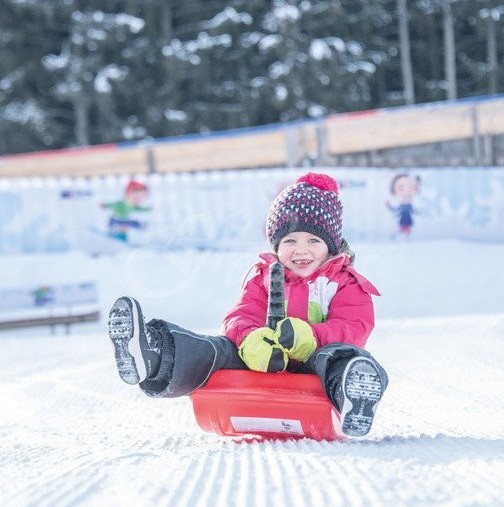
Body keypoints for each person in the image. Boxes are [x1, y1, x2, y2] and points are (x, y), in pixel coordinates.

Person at [108, 172, 388, 437]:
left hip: (314, 366)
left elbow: (354, 327)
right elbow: (240, 315)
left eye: (313, 240)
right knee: (218, 349)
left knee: (343, 357)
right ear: (276, 245)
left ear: (331, 245)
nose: (301, 249)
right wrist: (250, 340)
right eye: (290, 240)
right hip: (262, 365)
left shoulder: (342, 281)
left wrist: (310, 338)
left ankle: (352, 398)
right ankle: (153, 354)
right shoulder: (263, 277)